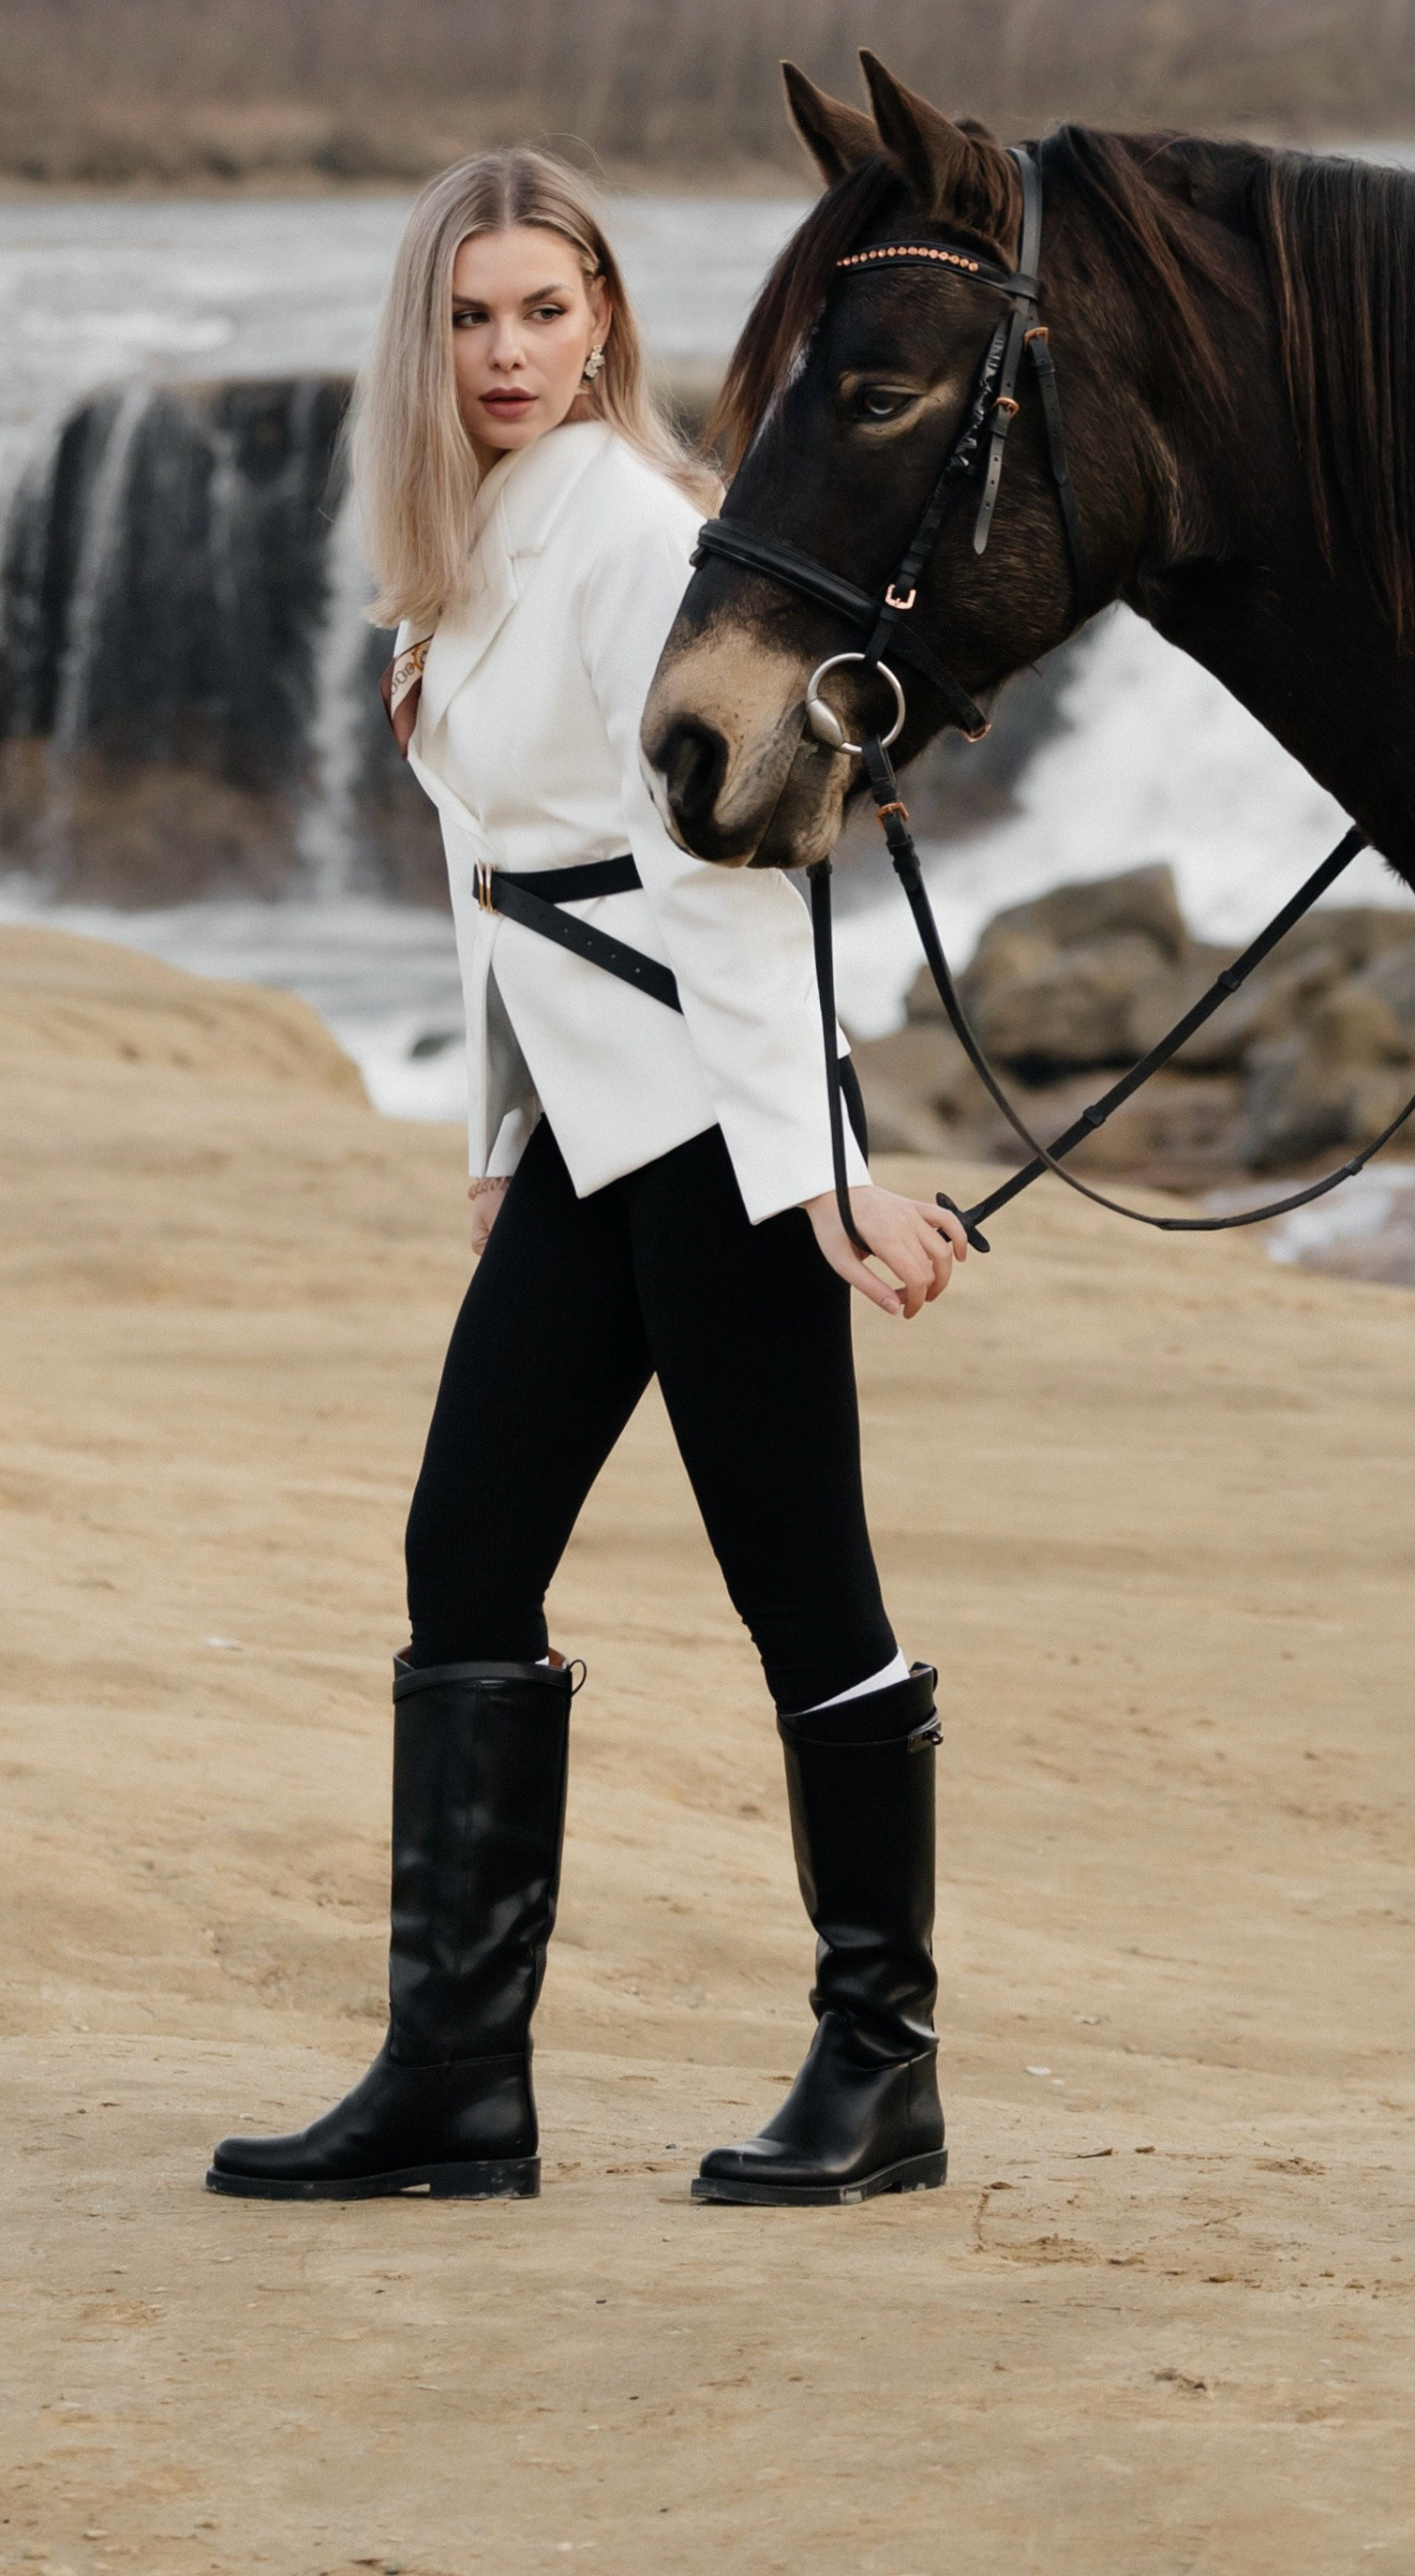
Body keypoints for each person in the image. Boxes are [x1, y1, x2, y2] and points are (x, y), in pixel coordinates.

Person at [207, 147, 966, 2211]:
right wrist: (497, 1143)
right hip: (588, 1135)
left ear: (606, 318)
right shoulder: (463, 540)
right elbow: (495, 871)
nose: (509, 350)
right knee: (466, 1552)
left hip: (716, 1130)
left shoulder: (638, 534)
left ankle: (879, 2069)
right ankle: (457, 2084)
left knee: (804, 1594)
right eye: (472, 317)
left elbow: (731, 874)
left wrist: (824, 1172)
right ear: (427, 339)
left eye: (546, 310)